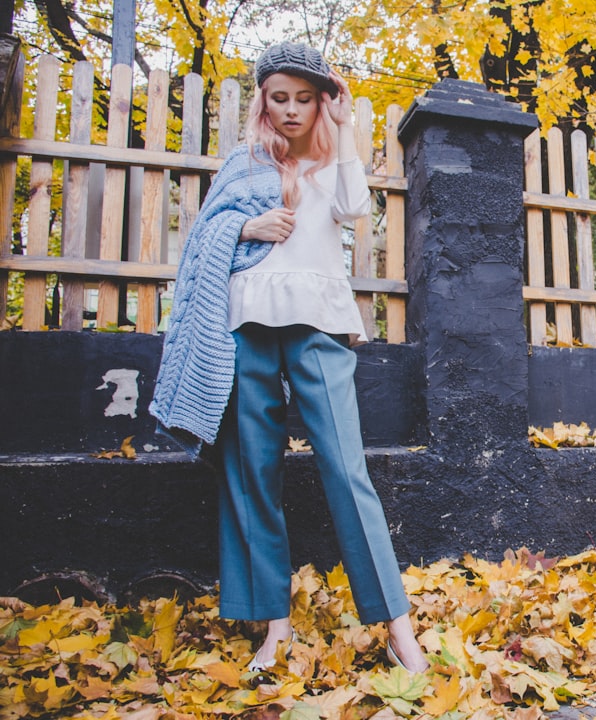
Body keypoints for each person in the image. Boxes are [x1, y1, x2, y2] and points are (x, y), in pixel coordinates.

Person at [149, 42, 428, 674]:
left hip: (320, 323)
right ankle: (274, 627)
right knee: (251, 471)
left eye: (306, 98)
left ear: (322, 100)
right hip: (243, 323)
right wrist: (244, 230)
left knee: (346, 467)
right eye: (281, 98)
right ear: (263, 100)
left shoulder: (332, 161)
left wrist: (347, 121)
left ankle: (397, 623)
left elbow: (358, 207)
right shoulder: (242, 164)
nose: (293, 110)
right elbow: (205, 237)